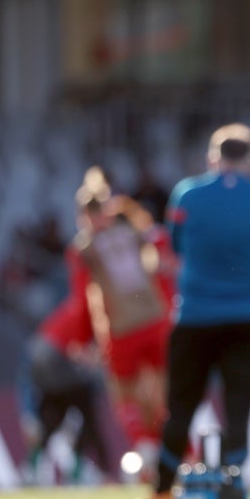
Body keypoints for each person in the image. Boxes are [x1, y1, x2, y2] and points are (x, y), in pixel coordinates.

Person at [138, 123, 250, 499]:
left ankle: (163, 492)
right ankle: (231, 488)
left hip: (196, 315)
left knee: (181, 406)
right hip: (248, 316)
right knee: (238, 406)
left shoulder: (188, 194)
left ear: (213, 156)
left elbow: (175, 250)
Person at [66, 168, 172, 476]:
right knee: (161, 396)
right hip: (156, 322)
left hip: (121, 330)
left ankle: (145, 450)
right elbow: (163, 259)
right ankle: (182, 457)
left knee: (124, 396)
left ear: (83, 216)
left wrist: (82, 340)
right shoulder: (134, 231)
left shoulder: (83, 249)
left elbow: (81, 299)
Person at [22, 295, 112, 485]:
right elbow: (85, 353)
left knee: (52, 423)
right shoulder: (92, 308)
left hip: (46, 367)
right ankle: (94, 473)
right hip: (60, 366)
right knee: (87, 421)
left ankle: (32, 470)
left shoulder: (74, 308)